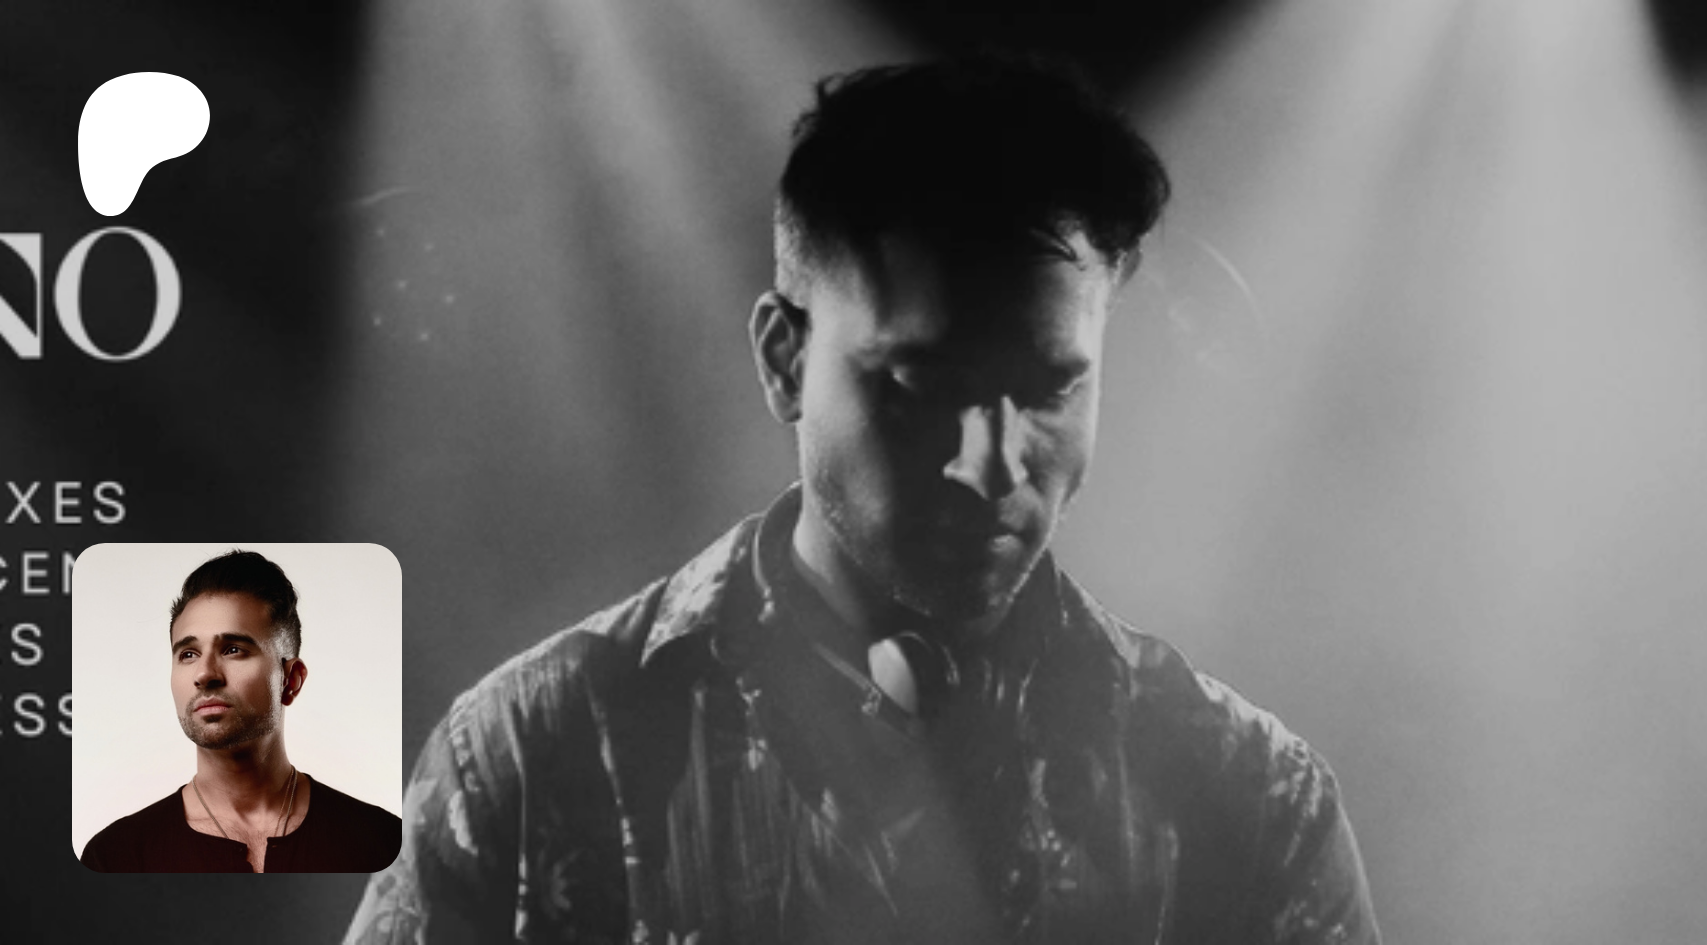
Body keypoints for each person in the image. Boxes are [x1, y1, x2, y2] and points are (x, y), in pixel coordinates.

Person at [345, 54, 1380, 943]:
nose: (990, 466)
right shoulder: (529, 756)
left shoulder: (1248, 798)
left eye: (1051, 388)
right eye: (922, 387)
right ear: (784, 360)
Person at [80, 550, 401, 873]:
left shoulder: (385, 845)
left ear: (290, 680)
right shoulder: (115, 858)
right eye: (188, 654)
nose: (204, 674)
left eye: (233, 649)